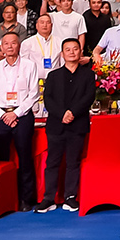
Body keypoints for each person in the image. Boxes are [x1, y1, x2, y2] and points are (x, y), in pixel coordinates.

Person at [0, 32, 39, 212]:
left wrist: (16, 114)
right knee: (1, 159)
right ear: (1, 47)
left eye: (13, 43)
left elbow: (34, 94)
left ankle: (26, 199)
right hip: (0, 117)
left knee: (25, 158)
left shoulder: (30, 66)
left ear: (19, 45)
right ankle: (4, 198)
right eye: (6, 43)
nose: (9, 46)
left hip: (22, 116)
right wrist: (3, 115)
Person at [42, 35, 94, 211]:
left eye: (75, 49)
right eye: (68, 50)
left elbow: (88, 97)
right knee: (52, 162)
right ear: (62, 54)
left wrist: (72, 113)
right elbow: (48, 99)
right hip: (56, 125)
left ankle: (70, 197)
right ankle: (48, 198)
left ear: (80, 52)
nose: (72, 52)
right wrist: (62, 114)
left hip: (77, 125)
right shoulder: (53, 75)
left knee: (73, 162)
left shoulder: (88, 75)